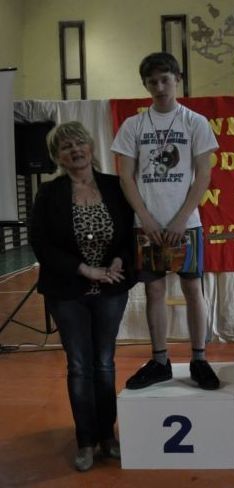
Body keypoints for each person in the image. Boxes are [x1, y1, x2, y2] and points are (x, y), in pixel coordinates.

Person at [111, 52, 220, 390]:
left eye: (165, 80)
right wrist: (145, 218)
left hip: (186, 223)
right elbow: (126, 177)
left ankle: (199, 359)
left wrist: (181, 218)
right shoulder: (134, 126)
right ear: (145, 85)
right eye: (152, 82)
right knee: (154, 290)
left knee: (193, 289)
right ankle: (160, 361)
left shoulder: (195, 122)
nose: (159, 87)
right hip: (148, 225)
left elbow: (203, 175)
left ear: (177, 79)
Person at [30, 121, 135, 471]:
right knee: (78, 366)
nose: (75, 150)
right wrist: (84, 269)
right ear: (57, 157)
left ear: (90, 146)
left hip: (111, 289)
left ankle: (108, 437)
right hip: (67, 291)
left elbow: (129, 234)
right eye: (66, 147)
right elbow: (41, 244)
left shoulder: (115, 186)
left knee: (104, 364)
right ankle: (85, 442)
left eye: (79, 143)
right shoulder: (49, 193)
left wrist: (120, 260)